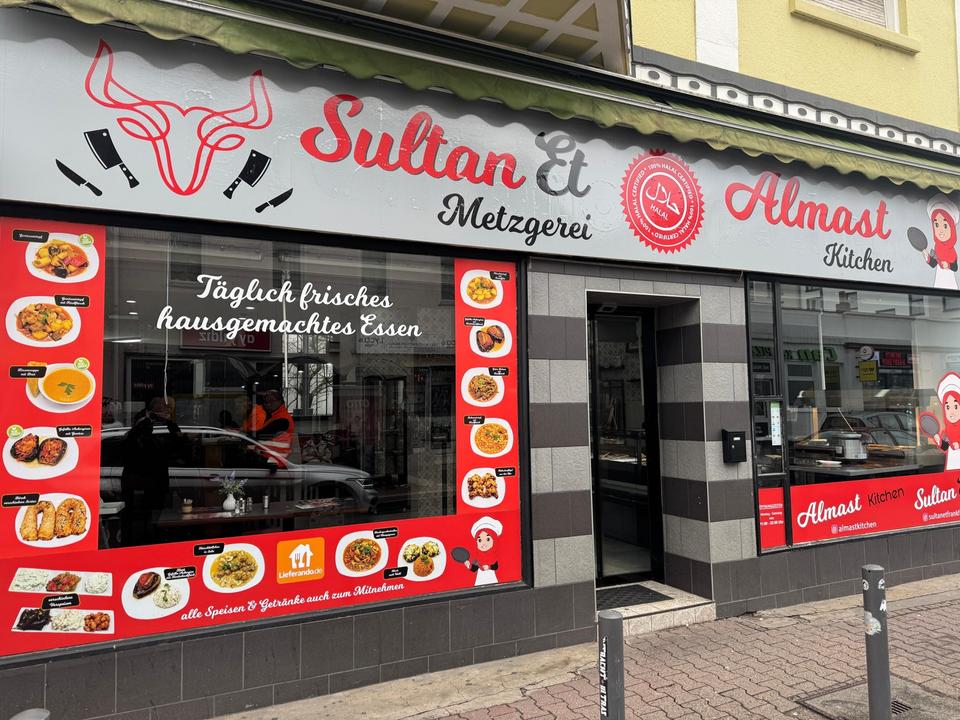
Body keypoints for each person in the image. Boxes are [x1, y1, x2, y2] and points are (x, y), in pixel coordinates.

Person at [120, 397, 183, 545]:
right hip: (141, 479)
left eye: (168, 410)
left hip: (153, 479)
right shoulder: (144, 426)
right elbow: (133, 446)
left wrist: (171, 426)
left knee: (156, 516)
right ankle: (138, 543)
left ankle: (152, 541)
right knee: (141, 517)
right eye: (164, 410)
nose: (167, 413)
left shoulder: (163, 427)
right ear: (154, 411)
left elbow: (177, 445)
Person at [921, 195, 959, 290]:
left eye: (945, 226)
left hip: (949, 279)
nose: (940, 231)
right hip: (939, 279)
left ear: (952, 228)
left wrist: (948, 265)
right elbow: (934, 264)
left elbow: (955, 267)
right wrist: (927, 257)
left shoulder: (951, 250)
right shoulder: (937, 247)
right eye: (937, 225)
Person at [255, 389, 295, 463]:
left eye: (271, 401)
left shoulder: (282, 419)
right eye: (266, 402)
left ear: (280, 401)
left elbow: (263, 434)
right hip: (273, 458)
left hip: (274, 461)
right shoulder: (275, 416)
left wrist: (243, 435)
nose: (268, 404)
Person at [462, 516, 502, 586]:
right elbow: (474, 569)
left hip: (491, 577)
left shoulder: (494, 555)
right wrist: (468, 565)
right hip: (480, 579)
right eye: (480, 540)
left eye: (487, 539)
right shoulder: (477, 558)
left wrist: (489, 567)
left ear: (494, 540)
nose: (483, 543)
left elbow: (496, 566)